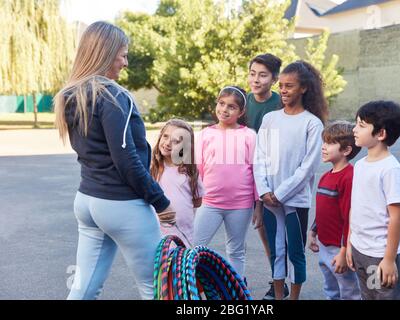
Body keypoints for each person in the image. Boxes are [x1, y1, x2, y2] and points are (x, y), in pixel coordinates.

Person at [54, 21, 174, 300]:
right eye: (123, 54)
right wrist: (160, 201)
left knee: (83, 289)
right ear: (106, 53)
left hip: (87, 202)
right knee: (156, 288)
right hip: (121, 205)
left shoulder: (71, 95)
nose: (126, 62)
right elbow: (127, 160)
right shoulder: (114, 96)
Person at [254, 60, 328, 300]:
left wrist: (281, 193)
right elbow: (260, 157)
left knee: (295, 253)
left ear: (304, 88)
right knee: (277, 252)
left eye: (290, 86)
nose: (283, 91)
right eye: (282, 86)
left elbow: (308, 166)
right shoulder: (271, 119)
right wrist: (265, 191)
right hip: (269, 199)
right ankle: (278, 296)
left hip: (295, 200)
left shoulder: (312, 123)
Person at [193, 86, 258, 278]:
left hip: (241, 205)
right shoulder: (205, 134)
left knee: (236, 251)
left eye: (231, 107)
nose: (224, 109)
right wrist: (195, 198)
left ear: (241, 112)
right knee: (195, 246)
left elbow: (256, 171)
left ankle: (235, 291)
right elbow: (198, 169)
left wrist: (259, 206)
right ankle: (196, 286)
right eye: (221, 104)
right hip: (210, 202)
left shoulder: (249, 135)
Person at [346, 101, 400, 300]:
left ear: (380, 134)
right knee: (370, 296)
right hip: (361, 249)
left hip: (380, 254)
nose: (354, 129)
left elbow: (396, 217)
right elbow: (355, 207)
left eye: (361, 125)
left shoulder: (391, 170)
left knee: (385, 296)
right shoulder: (361, 165)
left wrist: (389, 260)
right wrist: (349, 243)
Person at [246, 53, 288, 300]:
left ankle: (279, 283)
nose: (256, 79)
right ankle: (276, 276)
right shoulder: (243, 101)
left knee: (276, 234)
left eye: (263, 75)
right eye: (252, 73)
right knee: (263, 234)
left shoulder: (279, 106)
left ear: (273, 79)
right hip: (245, 175)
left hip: (272, 176)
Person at [308, 121, 361, 300]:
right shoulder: (325, 176)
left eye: (330, 143)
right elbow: (323, 209)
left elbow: (349, 218)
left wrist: (344, 251)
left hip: (339, 248)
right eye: (324, 142)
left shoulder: (349, 177)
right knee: (331, 290)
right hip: (324, 245)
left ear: (346, 150)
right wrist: (313, 231)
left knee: (349, 292)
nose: (323, 147)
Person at [151, 119, 205, 248]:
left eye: (176, 141)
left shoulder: (189, 171)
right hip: (156, 230)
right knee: (159, 264)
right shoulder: (151, 168)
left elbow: (197, 201)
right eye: (165, 136)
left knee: (179, 265)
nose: (168, 143)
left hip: (182, 232)